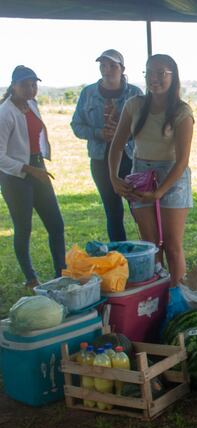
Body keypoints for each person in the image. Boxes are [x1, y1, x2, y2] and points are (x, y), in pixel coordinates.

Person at [108, 54, 194, 287]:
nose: (154, 78)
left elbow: (182, 160)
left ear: (173, 76)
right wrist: (114, 178)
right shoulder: (134, 105)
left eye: (161, 73)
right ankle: (155, 296)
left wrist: (160, 192)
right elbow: (116, 145)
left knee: (173, 246)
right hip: (141, 173)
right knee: (150, 244)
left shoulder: (182, 112)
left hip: (172, 176)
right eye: (149, 73)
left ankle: (177, 298)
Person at [0, 66, 65, 288]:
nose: (31, 89)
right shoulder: (5, 113)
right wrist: (28, 169)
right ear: (14, 86)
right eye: (26, 84)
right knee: (24, 227)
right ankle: (31, 277)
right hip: (15, 176)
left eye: (34, 84)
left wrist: (39, 163)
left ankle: (61, 273)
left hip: (37, 167)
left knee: (56, 224)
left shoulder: (32, 105)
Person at [71, 49, 142, 242]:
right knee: (113, 211)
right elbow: (76, 125)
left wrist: (123, 132)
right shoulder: (88, 93)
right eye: (103, 65)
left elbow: (146, 126)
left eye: (112, 65)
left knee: (140, 210)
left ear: (122, 69)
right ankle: (119, 257)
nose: (107, 69)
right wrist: (98, 133)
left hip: (131, 158)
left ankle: (148, 253)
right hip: (101, 159)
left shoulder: (134, 93)